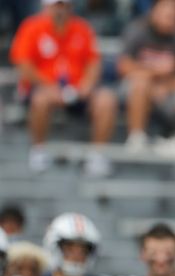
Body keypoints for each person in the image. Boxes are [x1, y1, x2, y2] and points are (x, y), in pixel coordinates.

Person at [10, 0, 118, 176]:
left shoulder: (82, 28)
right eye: (56, 6)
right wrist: (49, 86)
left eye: (64, 6)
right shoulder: (31, 27)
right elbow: (23, 64)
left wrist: (87, 84)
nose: (60, 11)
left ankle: (97, 154)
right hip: (43, 88)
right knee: (40, 99)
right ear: (46, 7)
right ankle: (38, 150)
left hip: (77, 89)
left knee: (106, 99)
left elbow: (93, 62)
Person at [118, 0, 175, 157]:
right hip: (136, 90)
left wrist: (167, 87)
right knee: (140, 83)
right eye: (166, 11)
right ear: (154, 12)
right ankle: (136, 139)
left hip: (169, 92)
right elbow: (124, 66)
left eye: (173, 13)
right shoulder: (138, 31)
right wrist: (154, 72)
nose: (170, 16)